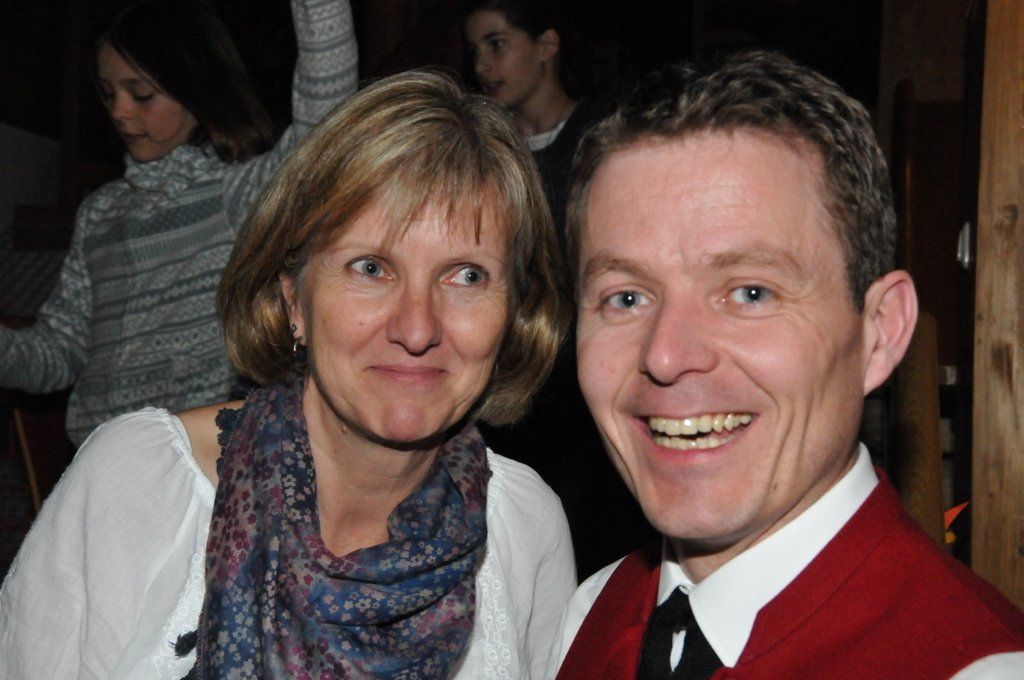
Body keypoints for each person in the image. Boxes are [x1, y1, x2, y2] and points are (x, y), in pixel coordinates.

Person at [0, 69, 575, 679]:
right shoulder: (140, 484)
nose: (417, 328)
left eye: (467, 276)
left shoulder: (525, 526)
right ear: (293, 298)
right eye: (370, 267)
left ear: (514, 314)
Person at [548, 51, 1024, 678]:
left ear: (880, 332)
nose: (665, 355)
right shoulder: (587, 614)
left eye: (750, 293)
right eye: (626, 298)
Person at [0, 0, 357, 446]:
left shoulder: (238, 197)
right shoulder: (98, 215)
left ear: (195, 87)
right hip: (105, 461)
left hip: (204, 459)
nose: (119, 112)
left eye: (141, 94)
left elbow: (326, 125)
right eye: (108, 93)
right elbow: (56, 353)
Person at [463, 0, 651, 580]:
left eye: (497, 44)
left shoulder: (604, 136)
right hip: (506, 376)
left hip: (579, 380)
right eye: (475, 50)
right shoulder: (486, 148)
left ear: (546, 45)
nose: (482, 65)